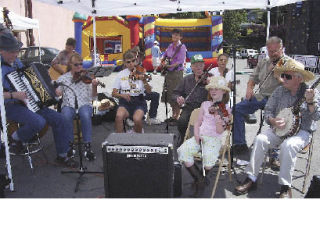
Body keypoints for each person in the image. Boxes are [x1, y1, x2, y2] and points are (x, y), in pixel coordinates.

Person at [234, 59, 319, 198]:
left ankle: (285, 187)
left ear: (299, 79)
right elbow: (268, 110)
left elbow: (316, 116)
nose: (283, 79)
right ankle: (251, 178)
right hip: (279, 129)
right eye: (283, 75)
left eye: (288, 76)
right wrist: (272, 120)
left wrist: (310, 102)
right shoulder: (279, 91)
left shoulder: (311, 92)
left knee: (288, 145)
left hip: (302, 131)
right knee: (260, 139)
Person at [0, 32, 75, 167]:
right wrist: (13, 95)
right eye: (12, 52)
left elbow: (30, 79)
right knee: (39, 122)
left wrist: (52, 89)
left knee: (60, 119)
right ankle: (14, 140)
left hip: (29, 102)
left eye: (17, 51)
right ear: (1, 51)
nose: (16, 55)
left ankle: (62, 155)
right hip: (10, 104)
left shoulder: (16, 62)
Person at [233, 36, 290, 154]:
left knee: (278, 118)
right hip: (263, 96)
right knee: (237, 109)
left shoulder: (289, 63)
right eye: (270, 51)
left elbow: (292, 86)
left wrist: (278, 77)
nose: (273, 54)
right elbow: (253, 78)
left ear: (282, 49)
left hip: (280, 99)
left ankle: (275, 153)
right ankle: (240, 144)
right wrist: (249, 88)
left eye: (275, 51)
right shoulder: (264, 62)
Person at [178, 76, 231, 192]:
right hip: (200, 136)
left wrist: (218, 118)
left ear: (223, 91)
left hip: (214, 139)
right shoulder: (205, 104)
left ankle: (200, 178)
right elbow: (197, 123)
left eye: (216, 88)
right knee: (183, 150)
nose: (213, 91)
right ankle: (199, 178)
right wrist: (196, 135)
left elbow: (220, 131)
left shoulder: (226, 109)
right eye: (211, 89)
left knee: (208, 164)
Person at [55, 53, 98, 161]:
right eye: (76, 65)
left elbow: (94, 97)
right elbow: (58, 93)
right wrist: (55, 90)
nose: (79, 67)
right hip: (69, 105)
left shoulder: (87, 77)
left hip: (84, 104)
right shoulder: (64, 78)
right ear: (70, 65)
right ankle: (70, 146)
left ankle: (87, 146)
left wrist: (94, 86)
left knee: (85, 114)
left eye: (81, 64)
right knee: (66, 115)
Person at [172, 54, 209, 146]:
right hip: (189, 107)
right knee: (182, 122)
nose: (198, 67)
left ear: (204, 66)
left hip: (205, 108)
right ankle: (183, 138)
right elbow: (175, 93)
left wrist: (211, 85)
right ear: (191, 67)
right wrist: (178, 98)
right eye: (195, 65)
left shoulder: (209, 78)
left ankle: (203, 143)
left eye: (200, 65)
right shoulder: (187, 79)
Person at [112, 50, 152, 133]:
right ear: (125, 63)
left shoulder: (141, 71)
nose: (131, 64)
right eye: (128, 62)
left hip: (139, 101)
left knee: (137, 119)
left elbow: (149, 91)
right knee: (119, 117)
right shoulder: (121, 74)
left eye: (133, 61)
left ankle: (138, 138)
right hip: (125, 101)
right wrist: (123, 95)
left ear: (136, 61)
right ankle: (120, 141)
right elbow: (114, 93)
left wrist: (144, 80)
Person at [160, 28, 187, 123]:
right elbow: (164, 55)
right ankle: (173, 115)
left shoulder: (182, 47)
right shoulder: (170, 46)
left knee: (176, 94)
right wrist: (162, 61)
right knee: (169, 94)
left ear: (180, 37)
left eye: (177, 35)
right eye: (173, 35)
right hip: (169, 73)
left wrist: (168, 66)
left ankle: (177, 116)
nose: (174, 36)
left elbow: (180, 62)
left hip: (177, 74)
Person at [131, 47, 161, 125]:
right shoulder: (127, 67)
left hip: (140, 91)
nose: (137, 58)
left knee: (155, 95)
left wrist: (146, 79)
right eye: (135, 56)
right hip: (130, 92)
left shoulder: (141, 68)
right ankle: (130, 117)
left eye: (138, 56)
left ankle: (152, 117)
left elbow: (144, 81)